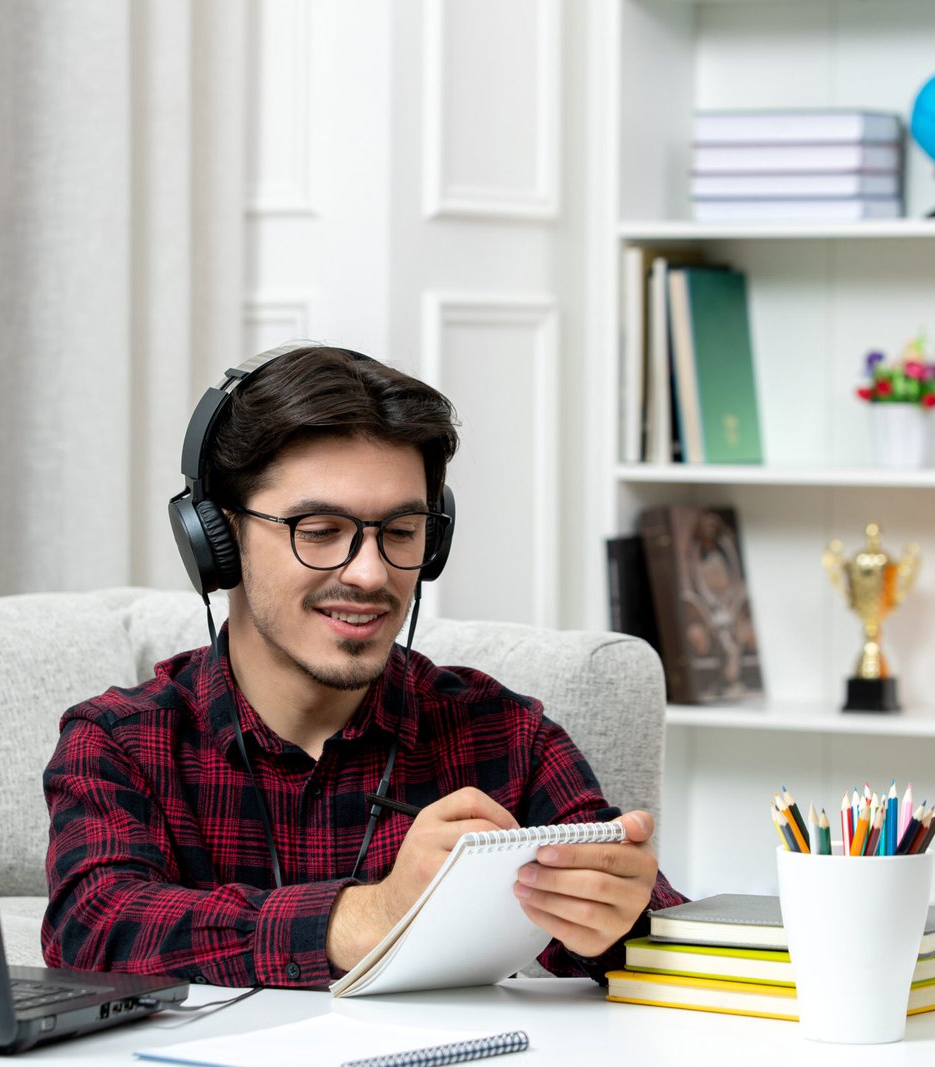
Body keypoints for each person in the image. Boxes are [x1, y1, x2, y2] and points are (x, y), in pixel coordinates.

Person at [41, 344, 685, 989]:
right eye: (318, 530)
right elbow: (93, 929)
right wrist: (370, 914)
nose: (371, 574)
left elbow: (669, 946)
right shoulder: (122, 741)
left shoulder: (505, 736)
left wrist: (622, 927)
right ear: (217, 538)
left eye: (402, 532)